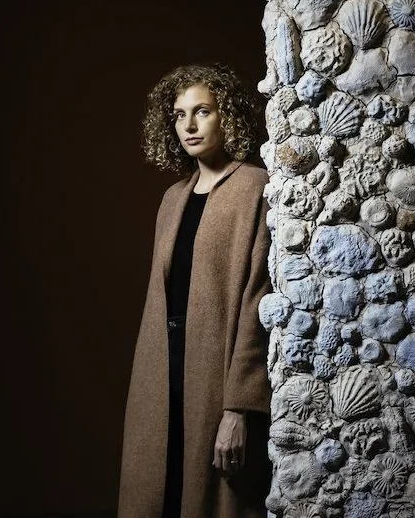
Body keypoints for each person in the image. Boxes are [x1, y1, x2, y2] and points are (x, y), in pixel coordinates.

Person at [118, 63, 273, 518]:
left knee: (210, 495)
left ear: (228, 116)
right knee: (157, 491)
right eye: (179, 114)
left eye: (202, 111)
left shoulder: (255, 188)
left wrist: (238, 408)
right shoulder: (173, 198)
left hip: (214, 372)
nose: (188, 125)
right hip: (161, 369)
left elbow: (257, 300)